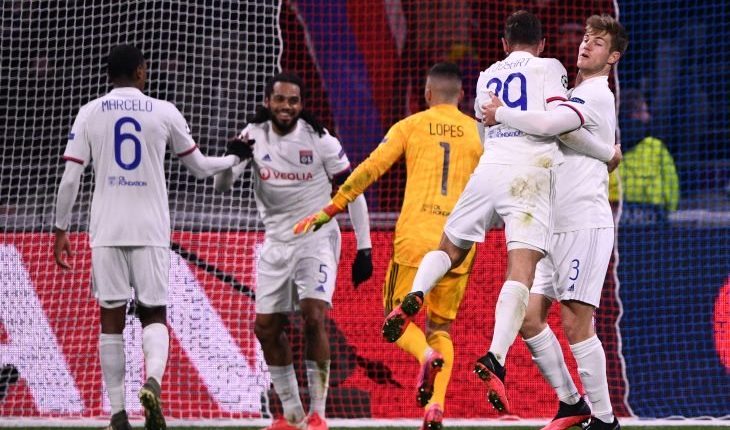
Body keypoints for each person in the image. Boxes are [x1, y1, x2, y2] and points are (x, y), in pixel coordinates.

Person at [52, 44, 251, 430]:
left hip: (107, 230)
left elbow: (71, 178)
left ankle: (117, 415)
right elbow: (200, 168)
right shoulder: (164, 111)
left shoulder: (89, 112)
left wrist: (60, 229)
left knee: (110, 320)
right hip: (151, 230)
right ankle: (153, 383)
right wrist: (234, 158)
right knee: (154, 313)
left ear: (109, 75)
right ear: (141, 71)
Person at [381, 10, 570, 415]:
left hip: (488, 170)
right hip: (529, 173)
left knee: (449, 248)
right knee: (520, 270)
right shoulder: (551, 67)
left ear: (503, 44)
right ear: (541, 44)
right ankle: (495, 357)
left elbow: (485, 134)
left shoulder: (487, 76)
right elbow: (556, 122)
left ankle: (416, 292)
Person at [293, 62, 483, 430]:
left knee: (394, 322)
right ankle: (436, 405)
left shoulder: (410, 125)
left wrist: (333, 207)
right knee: (441, 327)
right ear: (461, 96)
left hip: (416, 239)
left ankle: (424, 355)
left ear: (427, 93)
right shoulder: (479, 133)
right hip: (460, 243)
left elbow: (371, 168)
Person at [481, 14, 628, 430]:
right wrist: (606, 152)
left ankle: (605, 420)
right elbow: (561, 136)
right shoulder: (573, 91)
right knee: (529, 318)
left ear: (613, 57)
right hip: (550, 223)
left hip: (583, 223)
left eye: (597, 42)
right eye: (585, 38)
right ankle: (571, 404)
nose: (586, 45)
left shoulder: (596, 94)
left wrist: (501, 113)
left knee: (577, 322)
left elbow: (551, 127)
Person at [213, 72, 373, 430]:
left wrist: (364, 248)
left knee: (313, 316)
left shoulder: (320, 139)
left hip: (316, 238)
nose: (287, 106)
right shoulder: (252, 136)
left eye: (293, 100)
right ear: (268, 102)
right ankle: (292, 414)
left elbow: (353, 191)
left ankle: (318, 414)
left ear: (301, 104)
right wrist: (231, 157)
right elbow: (222, 186)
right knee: (266, 328)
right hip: (276, 243)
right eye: (280, 99)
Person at [618, 88, 679, 224]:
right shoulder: (655, 147)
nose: (648, 116)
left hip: (614, 216)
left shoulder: (604, 144)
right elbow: (671, 183)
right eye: (645, 111)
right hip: (653, 218)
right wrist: (670, 211)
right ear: (635, 114)